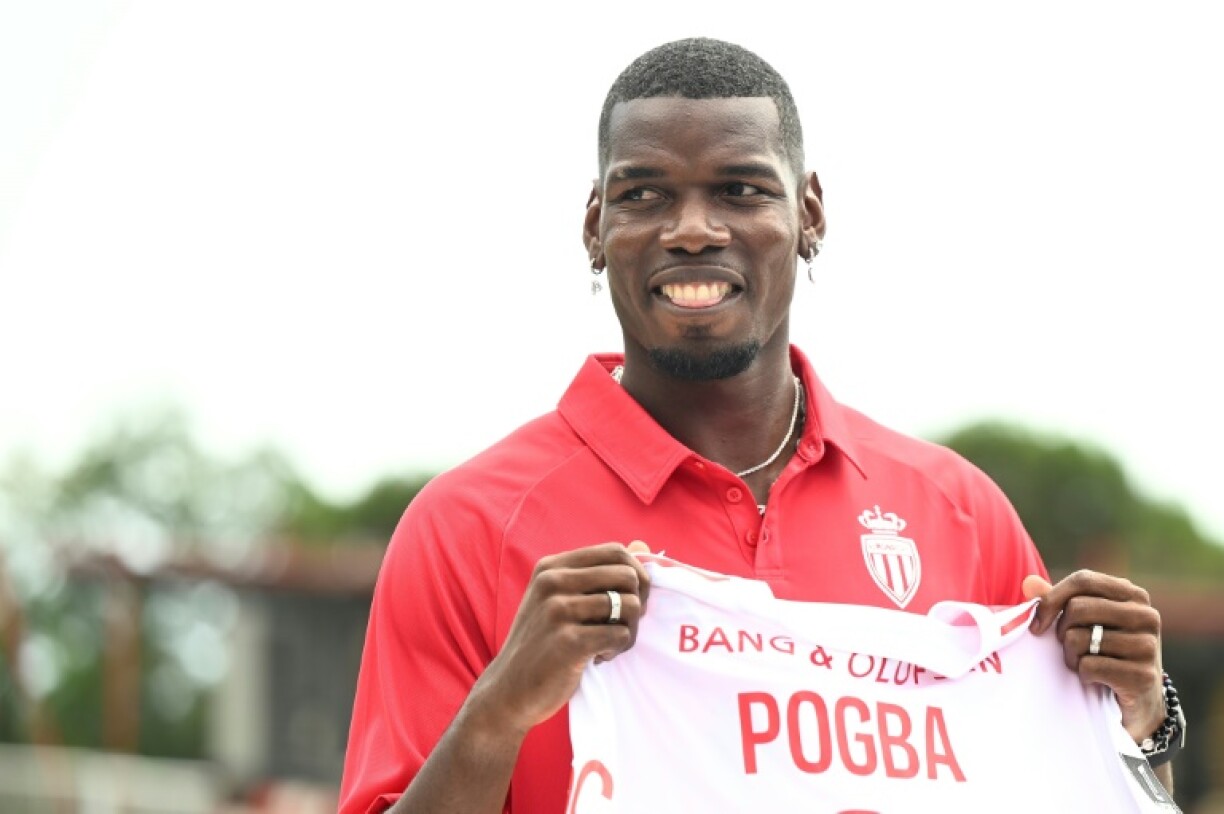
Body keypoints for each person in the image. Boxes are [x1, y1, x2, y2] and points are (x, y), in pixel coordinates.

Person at [338, 38, 1179, 814]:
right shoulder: (467, 527)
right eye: (644, 195)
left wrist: (1142, 718)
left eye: (741, 189)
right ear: (596, 226)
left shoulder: (959, 514)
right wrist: (500, 712)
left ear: (809, 211)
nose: (693, 229)